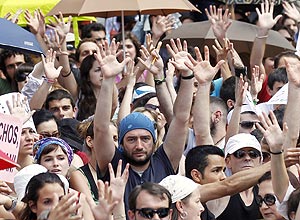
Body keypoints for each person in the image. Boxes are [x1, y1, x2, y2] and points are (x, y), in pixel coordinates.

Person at [94, 38, 200, 214]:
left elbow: (180, 119)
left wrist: (187, 76)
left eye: (145, 138)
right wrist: (108, 79)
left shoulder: (164, 160)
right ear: (120, 142)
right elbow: (101, 128)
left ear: (154, 139)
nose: (139, 146)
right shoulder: (113, 163)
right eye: (131, 139)